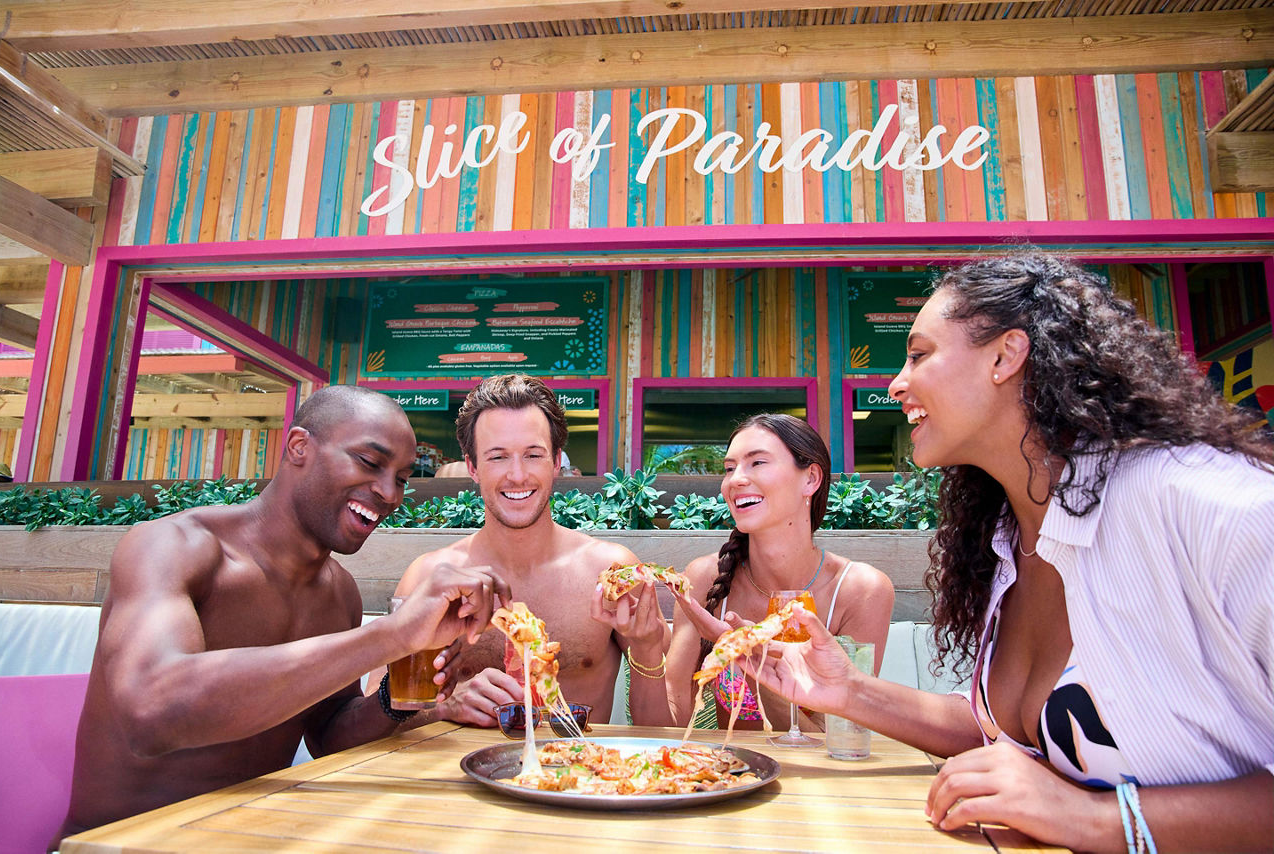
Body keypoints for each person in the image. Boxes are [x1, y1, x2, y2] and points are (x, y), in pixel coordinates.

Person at [714, 253, 1273, 852]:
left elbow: (1072, 795)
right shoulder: (1010, 538)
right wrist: (847, 690)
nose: (896, 383)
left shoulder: (1219, 508)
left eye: (919, 354)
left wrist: (1099, 820)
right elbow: (1014, 733)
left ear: (1006, 356)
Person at [60, 385, 510, 839]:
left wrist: (395, 697)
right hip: (120, 843)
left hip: (253, 837)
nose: (389, 492)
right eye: (370, 463)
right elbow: (152, 712)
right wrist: (393, 635)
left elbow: (328, 737)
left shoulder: (339, 592)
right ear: (299, 447)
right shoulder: (173, 546)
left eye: (402, 477)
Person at [389, 374, 668, 727]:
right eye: (498, 457)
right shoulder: (430, 576)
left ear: (556, 462)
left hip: (576, 776)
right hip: (452, 778)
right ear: (473, 467)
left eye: (533, 455)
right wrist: (444, 706)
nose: (517, 475)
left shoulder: (610, 571)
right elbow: (377, 717)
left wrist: (647, 645)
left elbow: (660, 731)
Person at [647, 413, 894, 730]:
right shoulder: (705, 578)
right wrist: (645, 647)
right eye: (729, 468)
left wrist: (742, 655)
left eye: (757, 463)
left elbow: (839, 736)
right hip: (730, 776)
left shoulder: (860, 591)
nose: (735, 479)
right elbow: (674, 719)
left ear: (810, 479)